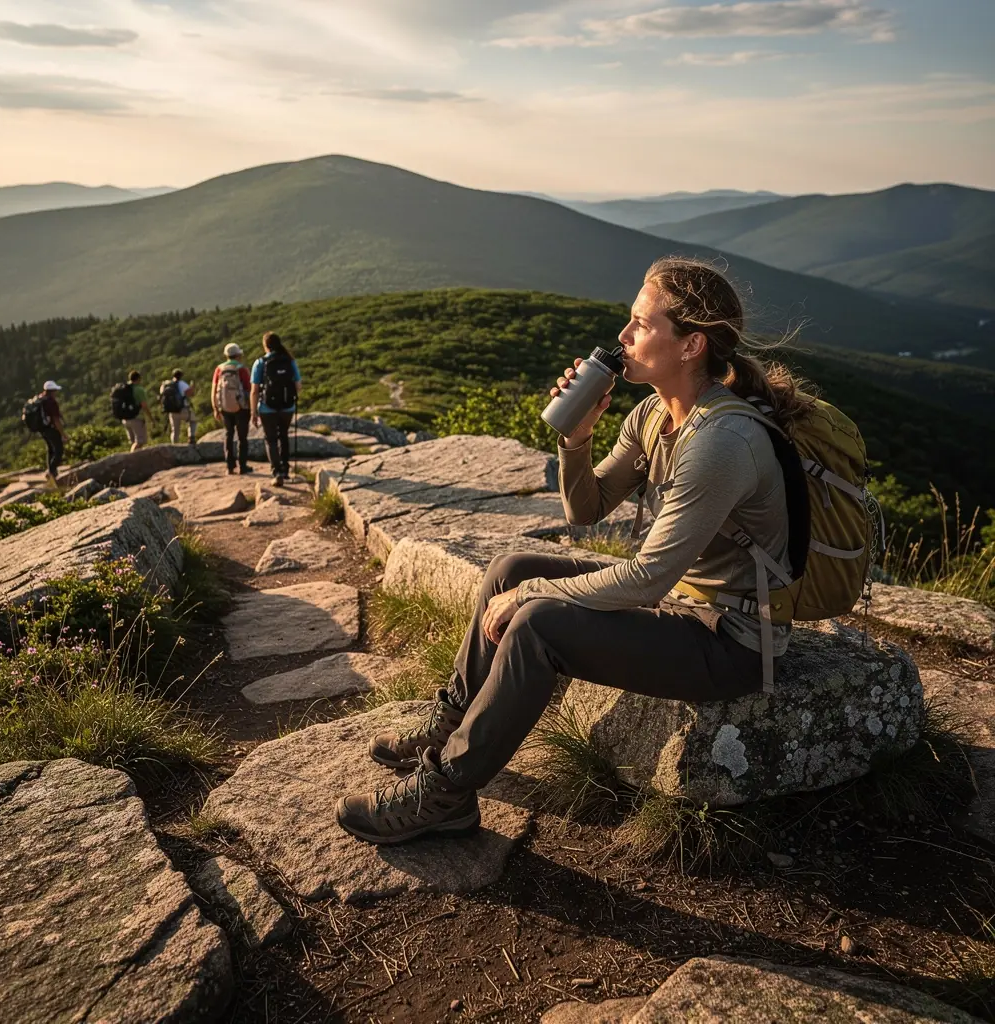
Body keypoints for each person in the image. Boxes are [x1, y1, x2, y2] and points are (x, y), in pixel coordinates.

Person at [335, 256, 814, 845]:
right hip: (686, 606)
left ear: (691, 346)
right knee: (512, 567)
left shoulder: (722, 441)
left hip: (735, 641)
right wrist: (577, 437)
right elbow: (585, 512)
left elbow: (646, 581)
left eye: (641, 324)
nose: (623, 335)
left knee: (537, 621)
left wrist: (536, 595)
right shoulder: (654, 414)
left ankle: (445, 792)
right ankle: (451, 724)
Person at [250, 331, 301, 487]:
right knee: (283, 436)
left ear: (265, 346)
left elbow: (254, 390)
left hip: (267, 408)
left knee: (271, 439)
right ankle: (285, 470)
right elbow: (298, 385)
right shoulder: (290, 361)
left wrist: (253, 412)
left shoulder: (260, 362)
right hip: (287, 406)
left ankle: (276, 472)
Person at [212, 343, 252, 475]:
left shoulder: (219, 369)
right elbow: (249, 389)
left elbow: (214, 389)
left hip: (224, 407)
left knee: (228, 435)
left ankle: (229, 467)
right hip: (241, 407)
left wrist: (215, 408)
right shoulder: (241, 369)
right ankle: (242, 466)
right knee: (242, 437)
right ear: (238, 355)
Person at [38, 380, 68, 485]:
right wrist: (63, 434)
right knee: (59, 450)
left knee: (50, 449)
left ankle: (50, 470)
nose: (56, 393)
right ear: (52, 391)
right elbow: (56, 420)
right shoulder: (51, 402)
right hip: (51, 429)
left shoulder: (41, 399)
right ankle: (52, 472)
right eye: (55, 390)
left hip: (43, 429)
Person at [120, 370, 155, 451]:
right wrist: (151, 418)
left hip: (125, 419)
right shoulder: (139, 389)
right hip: (136, 418)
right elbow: (144, 406)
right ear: (138, 378)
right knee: (140, 442)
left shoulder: (125, 389)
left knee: (133, 442)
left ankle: (136, 461)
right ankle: (131, 459)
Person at [164, 369, 197, 444]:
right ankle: (191, 437)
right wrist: (192, 387)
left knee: (175, 430)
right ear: (181, 376)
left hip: (171, 411)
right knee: (193, 420)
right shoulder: (182, 383)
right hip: (182, 409)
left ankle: (174, 445)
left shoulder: (167, 384)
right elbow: (190, 393)